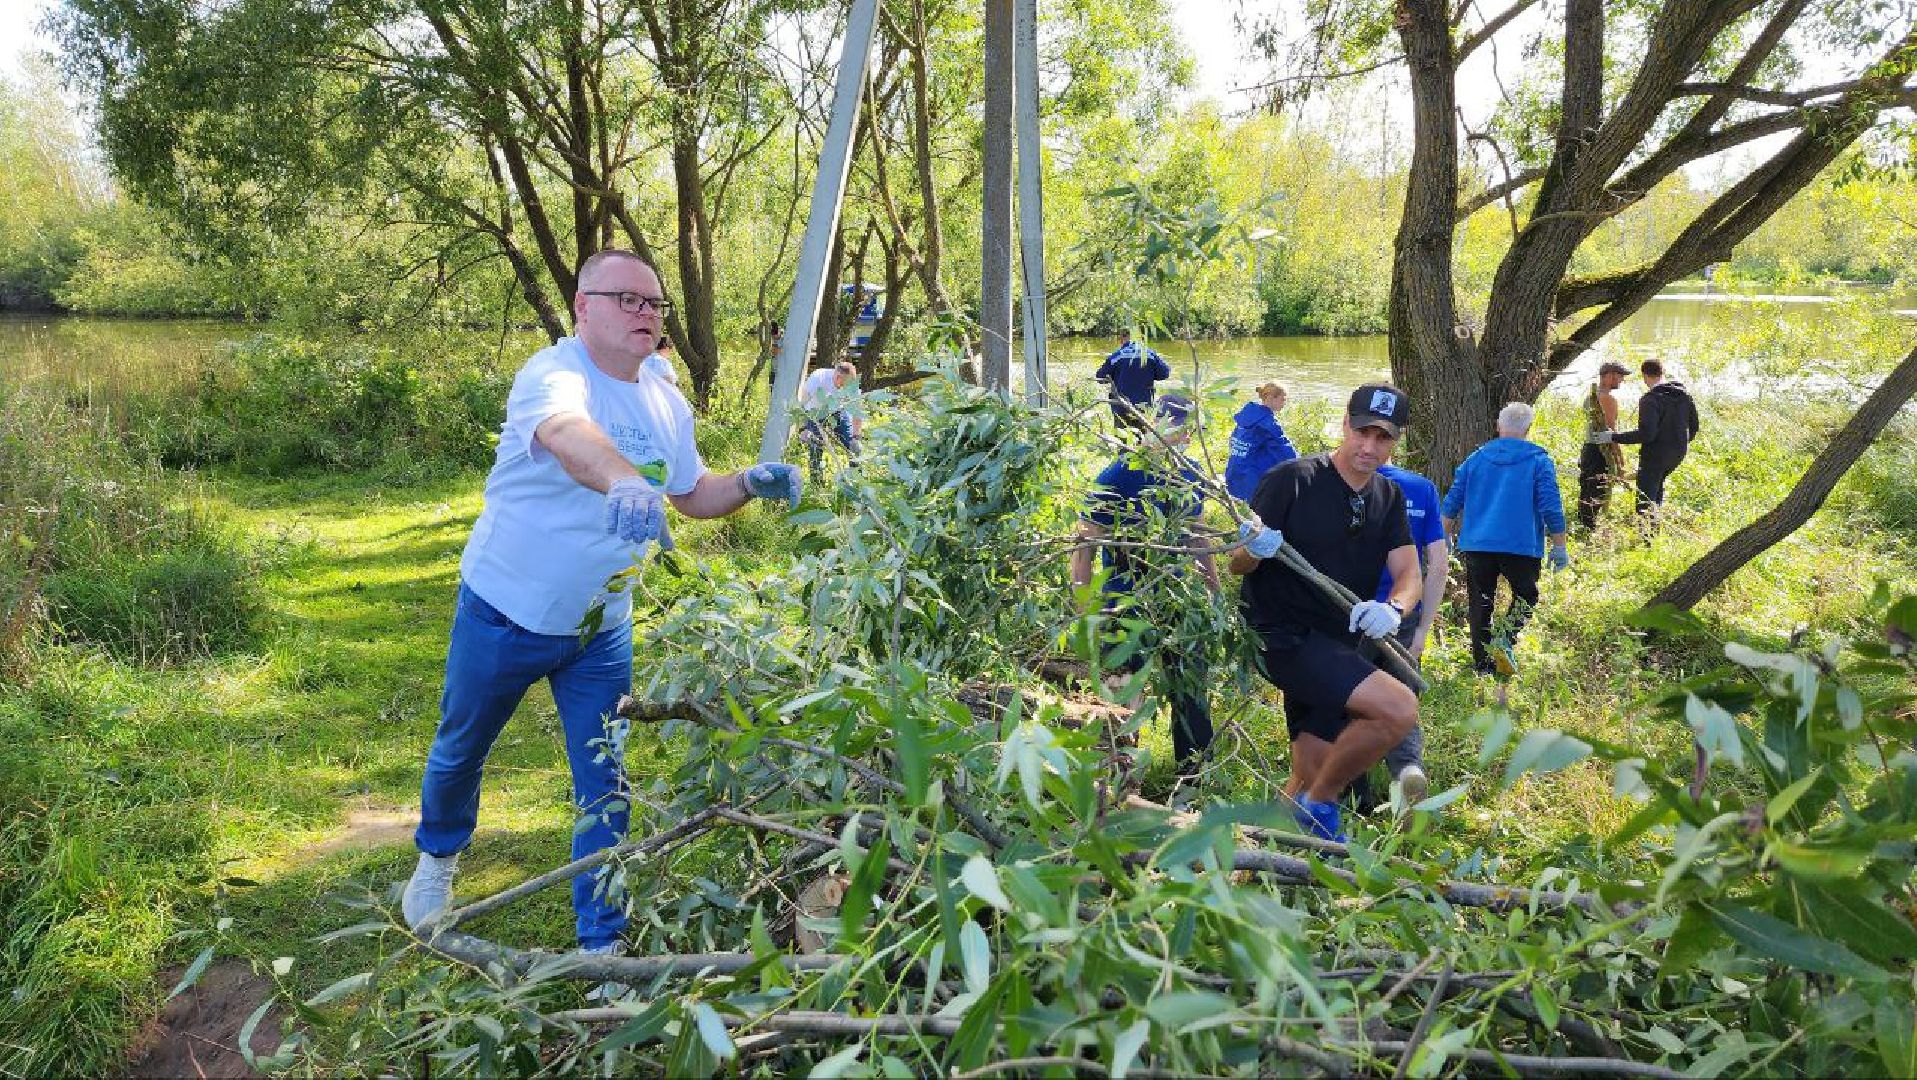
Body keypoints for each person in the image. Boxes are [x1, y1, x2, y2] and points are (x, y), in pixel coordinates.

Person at [401, 250, 803, 958]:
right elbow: (567, 437)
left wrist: (747, 482)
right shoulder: (554, 374)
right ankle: (437, 862)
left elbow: (691, 492)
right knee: (463, 747)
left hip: (601, 630)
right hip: (507, 610)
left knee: (604, 778)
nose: (646, 314)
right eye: (629, 299)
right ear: (583, 305)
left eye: (655, 305)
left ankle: (601, 940)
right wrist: (621, 479)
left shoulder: (663, 398)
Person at [1232, 384, 1422, 842]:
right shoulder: (1292, 479)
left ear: (1395, 442)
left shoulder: (1387, 497)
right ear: (1345, 424)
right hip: (1282, 636)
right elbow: (1237, 562)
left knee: (1310, 767)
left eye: (1383, 438)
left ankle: (1268, 856)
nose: (1369, 446)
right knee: (1399, 708)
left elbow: (1410, 571)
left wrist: (1393, 609)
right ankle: (1321, 807)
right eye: (1363, 432)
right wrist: (1254, 548)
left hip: (1339, 641)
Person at [1070, 395, 1219, 779]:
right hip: (1125, 603)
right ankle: (1118, 776)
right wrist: (1084, 608)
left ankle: (1194, 777)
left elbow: (1198, 535)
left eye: (1182, 428)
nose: (1178, 435)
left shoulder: (1190, 472)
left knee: (1191, 691)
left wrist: (1213, 590)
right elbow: (1084, 542)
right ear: (1149, 426)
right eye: (1168, 427)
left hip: (1179, 603)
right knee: (1123, 691)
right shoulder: (1119, 474)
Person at [1440, 402, 1569, 676]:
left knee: (1481, 602)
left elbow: (1452, 501)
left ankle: (1483, 665)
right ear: (1528, 430)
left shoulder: (1475, 459)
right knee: (1527, 596)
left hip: (1478, 544)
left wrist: (1445, 534)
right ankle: (1505, 640)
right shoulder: (1538, 461)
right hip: (1520, 546)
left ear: (1499, 426)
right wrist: (1560, 545)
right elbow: (1551, 506)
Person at [1367, 457, 1446, 806]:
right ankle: (1408, 770)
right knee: (1400, 698)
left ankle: (1350, 789)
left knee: (1345, 696)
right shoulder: (1421, 488)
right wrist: (1423, 629)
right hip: (1401, 612)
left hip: (1347, 610)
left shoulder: (1341, 482)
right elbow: (1438, 565)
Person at [1591, 358, 1699, 516]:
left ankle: (1647, 538)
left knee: (1645, 500)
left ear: (1644, 375)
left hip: (1655, 455)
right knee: (1657, 490)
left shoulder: (1650, 399)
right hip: (1677, 454)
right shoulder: (1684, 395)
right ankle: (1654, 533)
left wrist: (1613, 437)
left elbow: (1647, 434)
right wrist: (1678, 442)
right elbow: (1694, 427)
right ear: (1662, 373)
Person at [1575, 361, 1629, 531]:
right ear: (1608, 376)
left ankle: (1583, 525)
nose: (1621, 380)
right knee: (1597, 489)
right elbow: (1611, 432)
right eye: (1619, 376)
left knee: (1587, 486)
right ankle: (1588, 529)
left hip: (1589, 448)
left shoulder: (1591, 396)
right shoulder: (1607, 398)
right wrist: (1620, 459)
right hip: (1600, 451)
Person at [1225, 381, 1300, 501]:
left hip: (1234, 472)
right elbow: (1283, 447)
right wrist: (1300, 464)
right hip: (1250, 479)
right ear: (1271, 398)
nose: (1284, 403)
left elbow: (1232, 441)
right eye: (1282, 399)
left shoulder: (1247, 416)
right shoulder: (1267, 422)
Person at [797, 361, 862, 481]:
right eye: (844, 385)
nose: (846, 388)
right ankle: (817, 483)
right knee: (815, 448)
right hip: (815, 414)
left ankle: (857, 481)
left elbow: (857, 411)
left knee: (852, 447)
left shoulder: (851, 384)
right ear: (838, 377)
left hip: (838, 412)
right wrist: (803, 428)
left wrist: (856, 437)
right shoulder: (818, 378)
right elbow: (802, 405)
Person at [1093, 330, 1171, 431]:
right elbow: (1164, 374)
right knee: (1142, 441)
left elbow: (1100, 378)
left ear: (1122, 339)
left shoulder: (1117, 355)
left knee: (1122, 439)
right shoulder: (1150, 355)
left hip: (1121, 406)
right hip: (1144, 407)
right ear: (1141, 339)